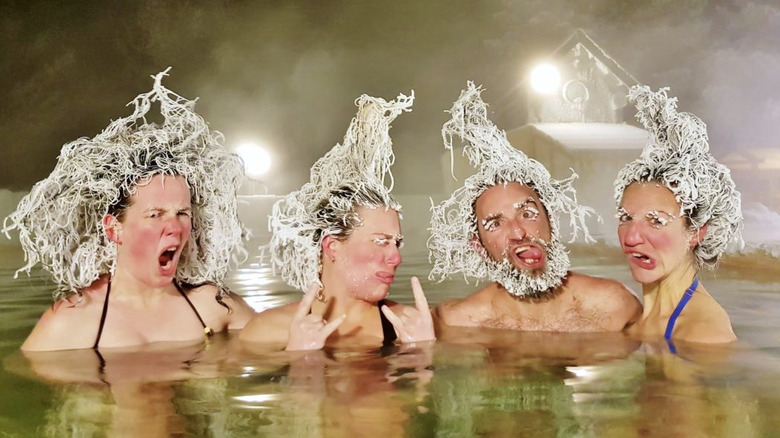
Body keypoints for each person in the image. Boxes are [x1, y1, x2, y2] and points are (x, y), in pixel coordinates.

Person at [4, 69, 255, 352]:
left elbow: (282, 338)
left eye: (182, 213)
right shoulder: (73, 323)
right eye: (155, 214)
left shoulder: (212, 306)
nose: (174, 226)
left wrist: (318, 298)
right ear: (114, 228)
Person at [430, 82, 641, 332]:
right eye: (495, 223)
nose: (518, 232)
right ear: (479, 247)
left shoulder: (613, 306)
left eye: (527, 214)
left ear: (550, 223)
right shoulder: (458, 322)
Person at [240, 92, 435, 350]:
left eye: (396, 243)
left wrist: (423, 357)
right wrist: (301, 362)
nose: (396, 258)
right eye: (380, 242)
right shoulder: (267, 332)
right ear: (332, 246)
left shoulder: (410, 327)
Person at [614, 86, 742, 347]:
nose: (632, 236)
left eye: (656, 221)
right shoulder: (632, 319)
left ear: (696, 232)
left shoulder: (701, 333)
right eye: (626, 217)